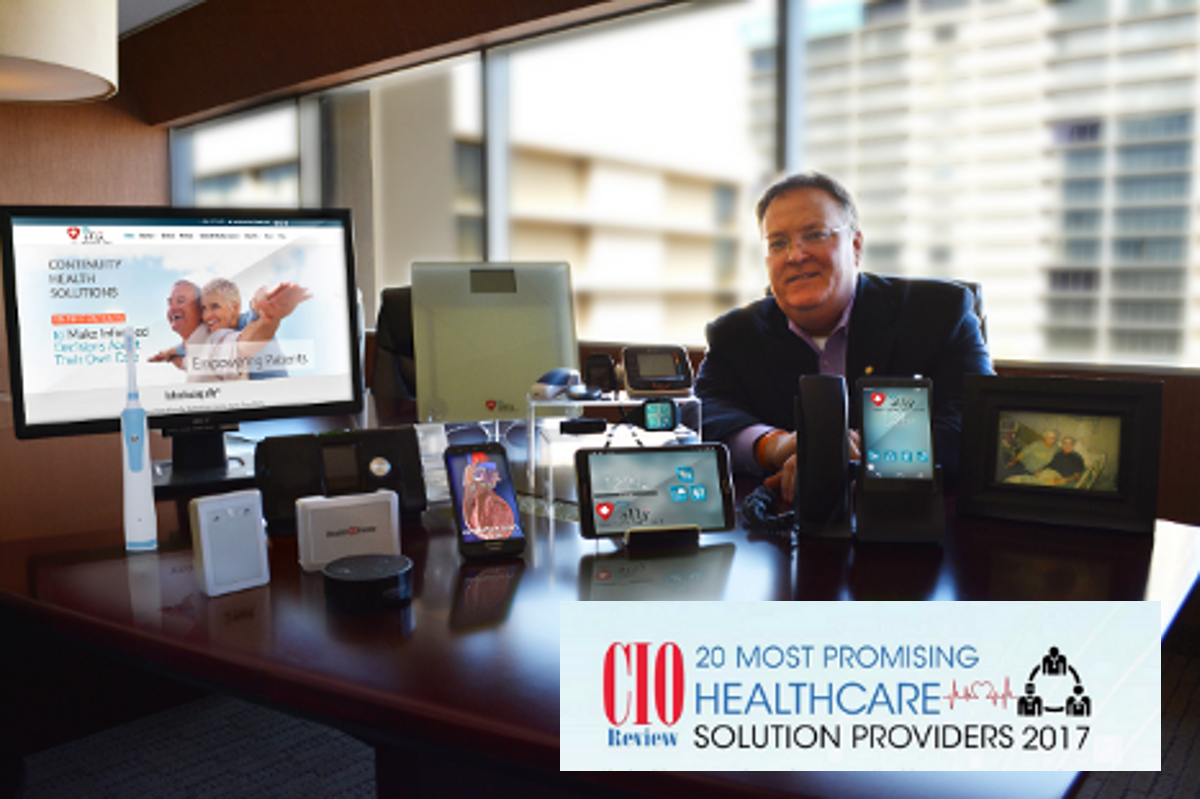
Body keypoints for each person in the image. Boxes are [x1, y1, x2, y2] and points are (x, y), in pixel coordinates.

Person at [695, 171, 993, 504]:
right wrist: (774, 446)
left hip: (914, 519)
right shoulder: (736, 333)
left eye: (815, 235)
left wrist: (871, 452)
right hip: (785, 519)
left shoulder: (940, 313)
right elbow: (704, 412)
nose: (795, 255)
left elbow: (978, 422)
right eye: (778, 243)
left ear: (855, 246)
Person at [149, 278, 311, 380]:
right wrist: (167, 354)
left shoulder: (246, 323)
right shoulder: (213, 333)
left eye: (215, 306)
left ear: (235, 307)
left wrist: (266, 296)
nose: (207, 316)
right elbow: (186, 349)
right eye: (204, 308)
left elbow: (257, 308)